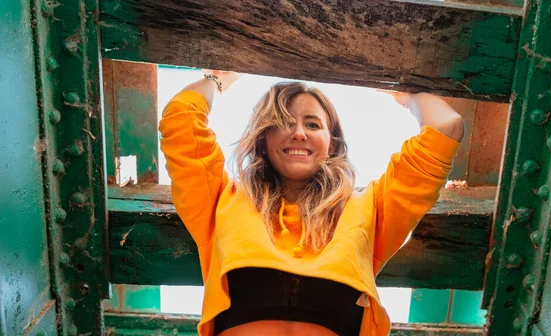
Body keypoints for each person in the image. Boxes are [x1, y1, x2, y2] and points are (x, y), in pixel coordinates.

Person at [159, 70, 464, 336]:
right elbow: (182, 119)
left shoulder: (370, 210)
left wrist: (408, 94)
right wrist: (218, 79)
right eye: (284, 122)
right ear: (264, 138)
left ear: (332, 144)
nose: (299, 133)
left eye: (313, 125)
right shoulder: (221, 201)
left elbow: (446, 128)